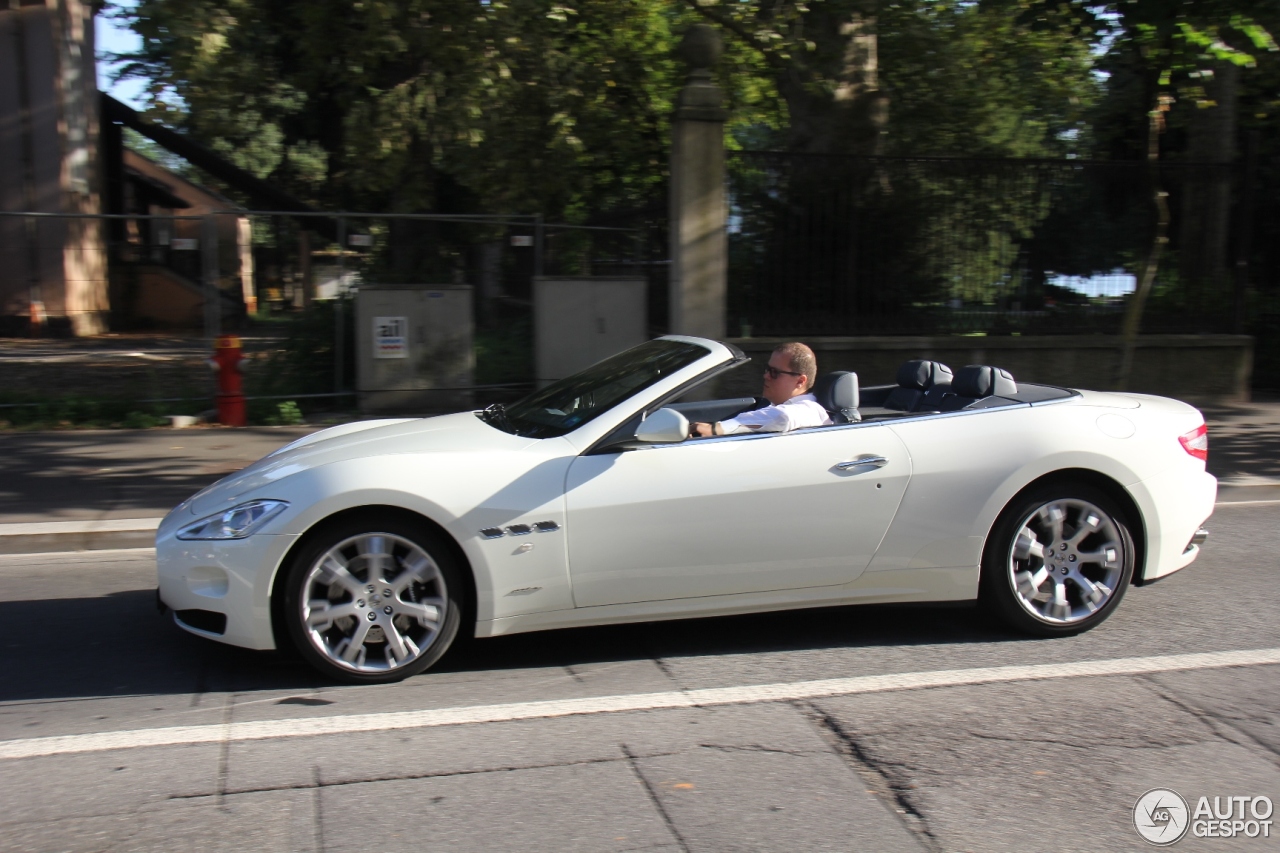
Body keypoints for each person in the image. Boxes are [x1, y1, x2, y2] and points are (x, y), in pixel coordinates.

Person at [690, 342, 832, 437]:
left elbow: (782, 417)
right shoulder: (776, 407)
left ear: (800, 381)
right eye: (767, 369)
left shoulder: (809, 410)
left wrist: (716, 429)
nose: (766, 376)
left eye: (774, 372)